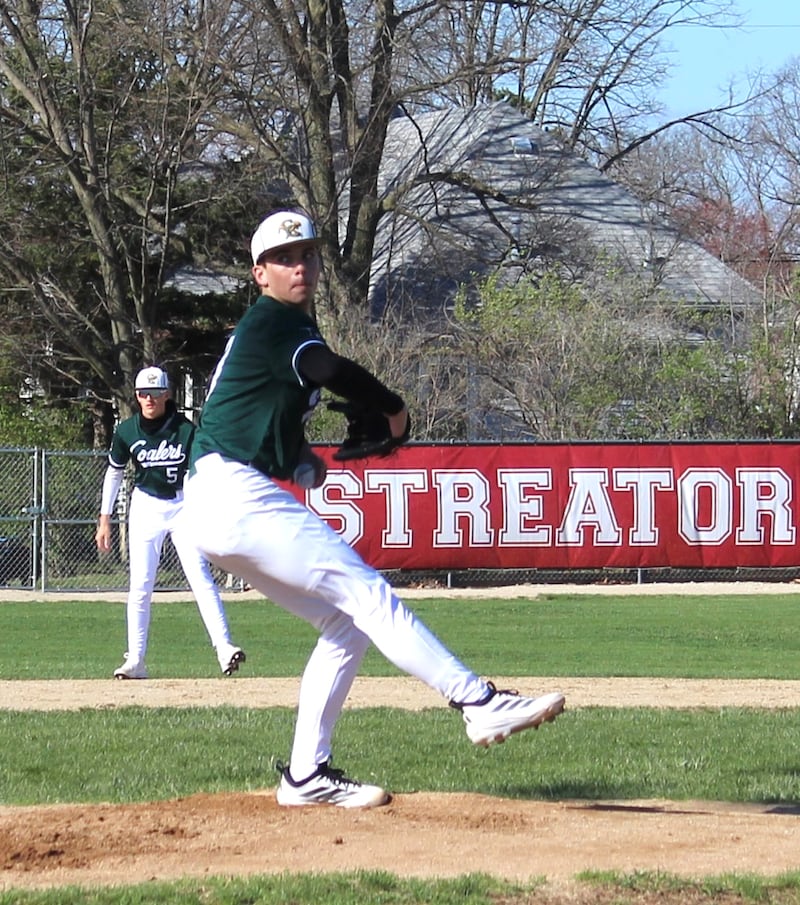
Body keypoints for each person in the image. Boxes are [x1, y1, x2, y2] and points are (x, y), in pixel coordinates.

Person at [181, 209, 565, 809]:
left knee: (346, 623)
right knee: (369, 594)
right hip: (232, 495)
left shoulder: (269, 335)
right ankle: (478, 703)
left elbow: (262, 428)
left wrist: (308, 461)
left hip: (218, 500)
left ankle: (306, 775)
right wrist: (393, 409)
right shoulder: (275, 322)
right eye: (284, 258)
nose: (300, 265)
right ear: (259, 274)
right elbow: (329, 370)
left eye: (307, 253)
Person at [96, 366, 246, 679]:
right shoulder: (126, 431)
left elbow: (202, 471)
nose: (149, 398)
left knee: (199, 576)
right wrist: (105, 518)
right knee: (140, 585)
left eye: (155, 392)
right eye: (142, 393)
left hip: (182, 504)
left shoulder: (185, 429)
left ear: (167, 394)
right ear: (136, 396)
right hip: (146, 506)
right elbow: (115, 472)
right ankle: (136, 660)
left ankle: (224, 648)